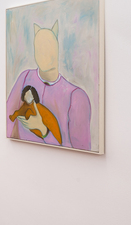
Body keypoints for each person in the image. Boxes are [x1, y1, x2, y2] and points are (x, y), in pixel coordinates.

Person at [6, 21, 91, 150]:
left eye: (49, 48)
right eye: (39, 49)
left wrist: (43, 130)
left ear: (57, 49)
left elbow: (81, 152)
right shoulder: (25, 78)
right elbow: (8, 121)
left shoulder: (77, 97)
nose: (44, 54)